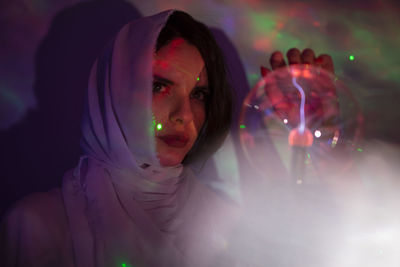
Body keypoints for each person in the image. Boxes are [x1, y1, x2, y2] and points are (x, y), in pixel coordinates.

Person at [0, 10, 236, 267]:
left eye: (199, 94)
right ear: (115, 90)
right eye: (159, 86)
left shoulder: (230, 223)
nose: (185, 115)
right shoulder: (38, 227)